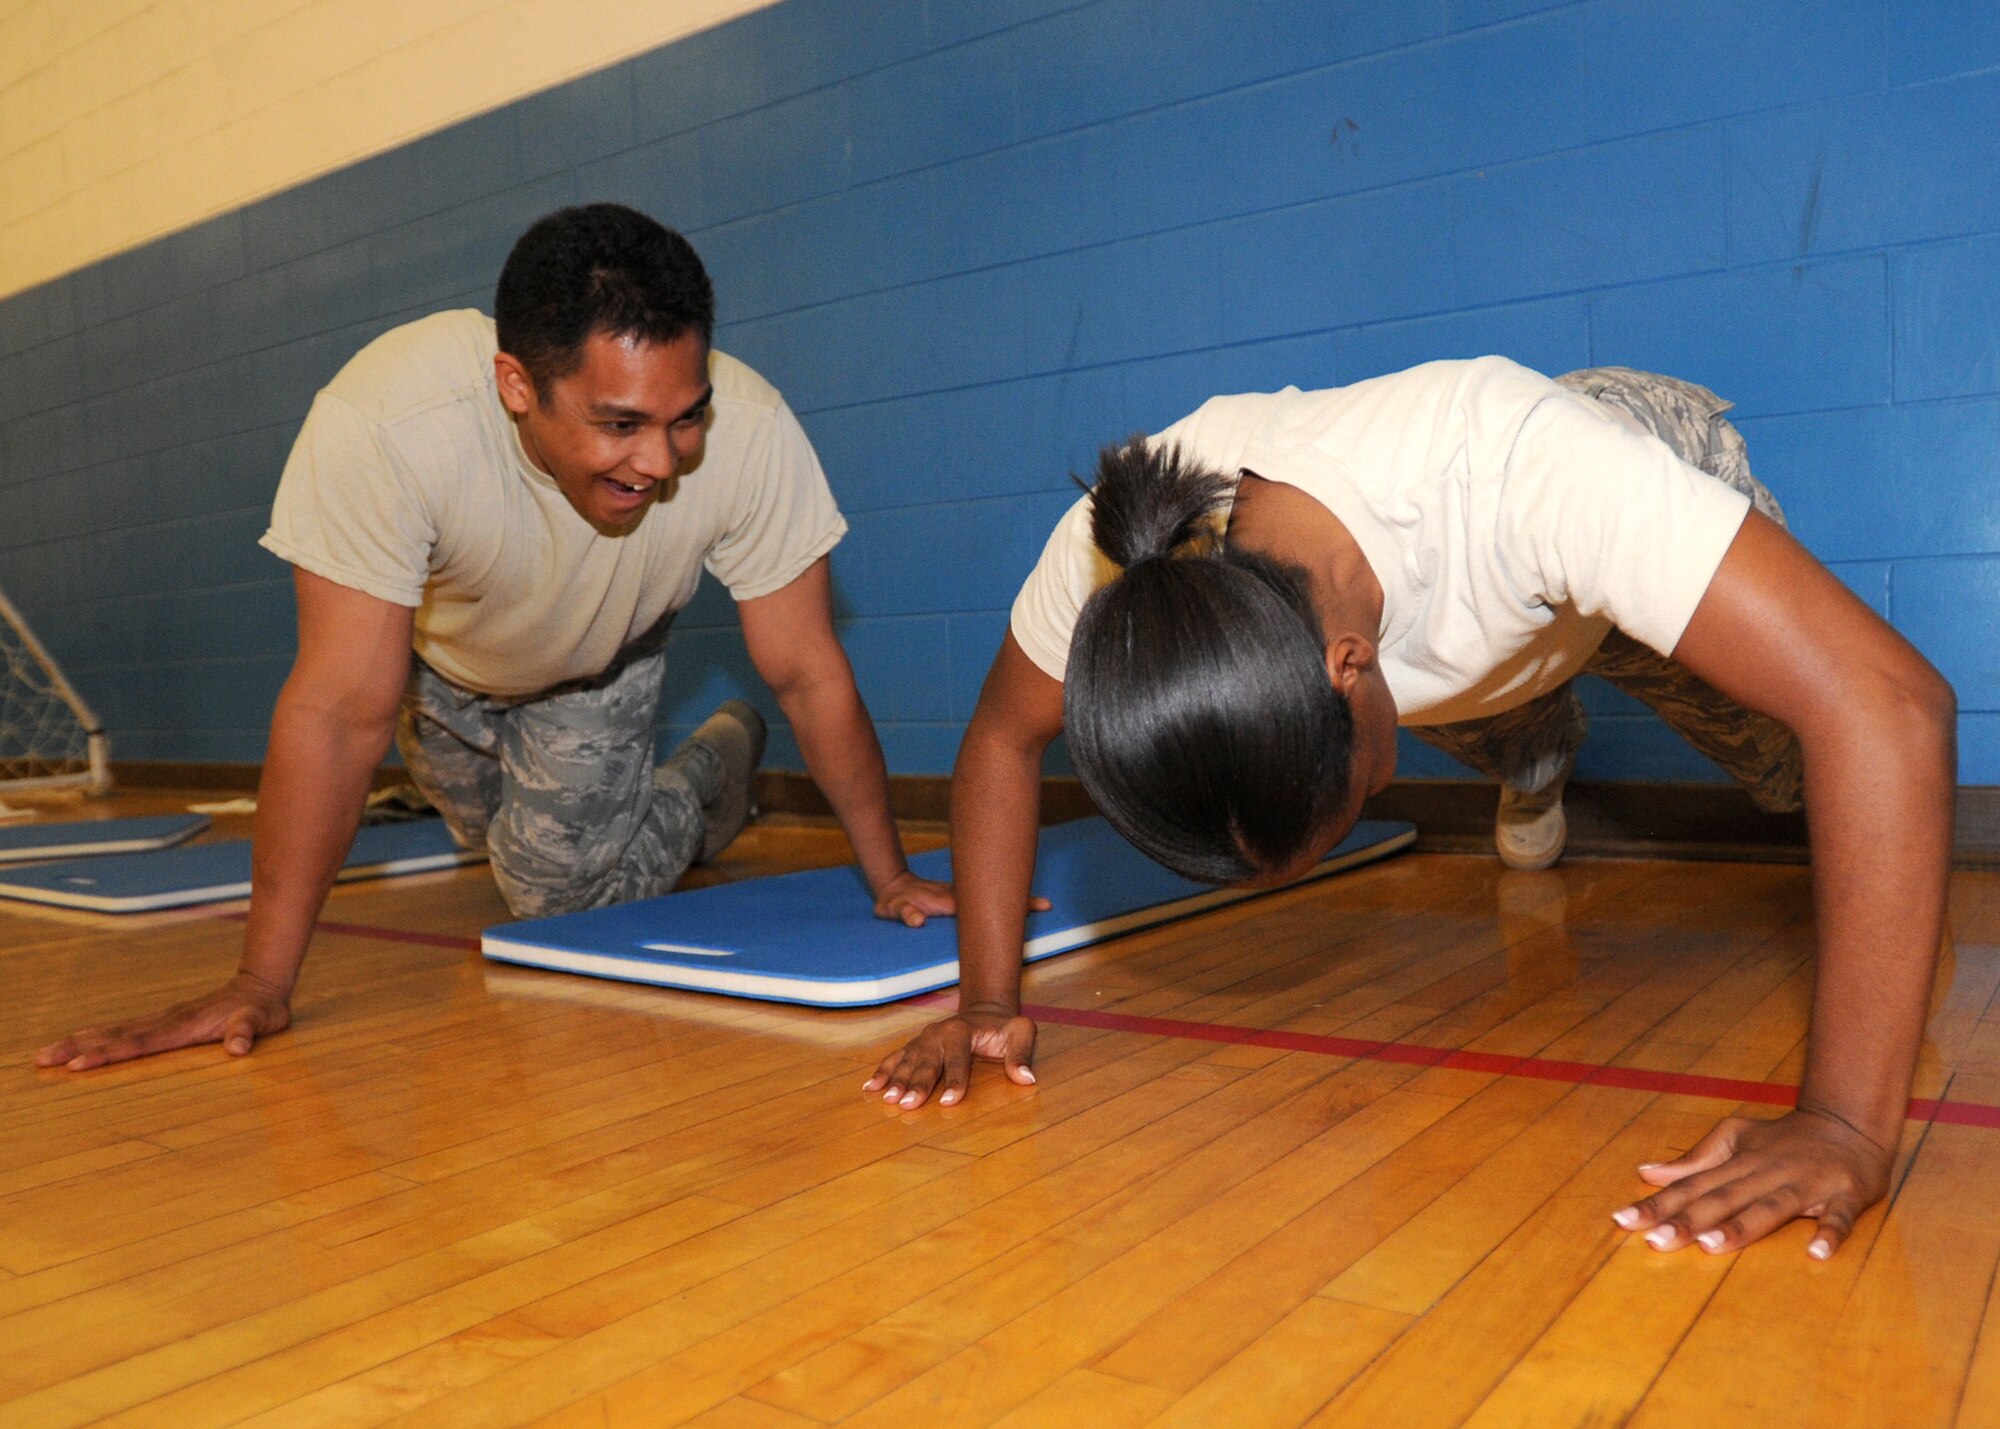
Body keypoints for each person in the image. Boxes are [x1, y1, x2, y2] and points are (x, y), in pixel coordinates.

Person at [866, 358, 1956, 1262]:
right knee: (1477, 698)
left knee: (1810, 775)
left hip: (1601, 495)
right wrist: (985, 998)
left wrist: (1845, 1122)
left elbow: (1889, 705)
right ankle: (1532, 752)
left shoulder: (1526, 475)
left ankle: (1521, 732)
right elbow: (1001, 738)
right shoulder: (1125, 579)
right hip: (1466, 646)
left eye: (1352, 802)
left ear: (1346, 666)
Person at [39, 203, 954, 1071]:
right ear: (517, 384)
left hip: (604, 660)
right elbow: (337, 710)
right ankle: (678, 788)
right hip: (438, 681)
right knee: (512, 843)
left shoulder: (751, 434)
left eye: (685, 418)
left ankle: (709, 775)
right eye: (619, 424)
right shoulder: (389, 424)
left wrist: (890, 876)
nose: (662, 461)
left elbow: (807, 672)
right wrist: (259, 982)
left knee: (557, 896)